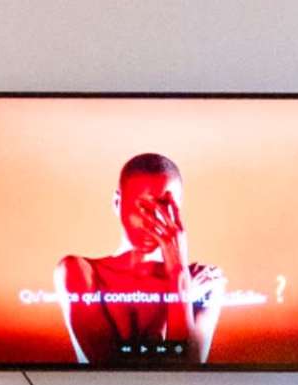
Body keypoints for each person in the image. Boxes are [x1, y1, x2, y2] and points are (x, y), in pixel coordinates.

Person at [56, 151, 223, 364]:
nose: (152, 220)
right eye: (142, 206)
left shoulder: (205, 281)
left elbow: (186, 372)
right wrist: (183, 298)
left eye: (164, 206)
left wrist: (178, 274)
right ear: (118, 203)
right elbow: (108, 370)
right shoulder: (79, 271)